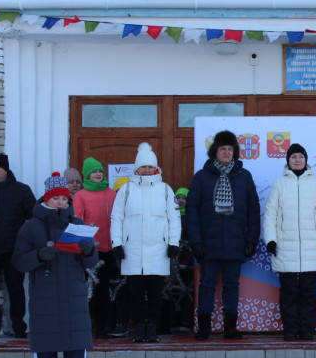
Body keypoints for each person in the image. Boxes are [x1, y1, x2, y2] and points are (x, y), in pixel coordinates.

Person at [12, 172, 98, 358]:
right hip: (45, 302)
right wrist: (39, 256)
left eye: (64, 198)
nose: (61, 202)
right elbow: (18, 261)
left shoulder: (78, 225)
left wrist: (88, 249)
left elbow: (91, 262)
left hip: (74, 300)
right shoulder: (31, 226)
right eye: (56, 198)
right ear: (46, 200)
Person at [186, 130, 260, 340]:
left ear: (234, 152)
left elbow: (253, 210)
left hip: (235, 242)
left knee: (231, 285)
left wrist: (251, 239)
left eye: (230, 149)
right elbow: (191, 211)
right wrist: (196, 241)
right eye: (222, 149)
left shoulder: (244, 176)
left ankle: (230, 328)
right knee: (207, 284)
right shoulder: (201, 177)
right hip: (208, 243)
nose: (226, 152)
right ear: (215, 152)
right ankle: (204, 329)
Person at [110, 143, 181, 343]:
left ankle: (153, 327)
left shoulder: (165, 190)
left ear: (156, 168)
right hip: (132, 251)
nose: (147, 170)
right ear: (137, 169)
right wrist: (117, 244)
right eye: (144, 167)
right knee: (136, 294)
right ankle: (139, 326)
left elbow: (173, 219)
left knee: (156, 293)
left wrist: (173, 242)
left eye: (151, 166)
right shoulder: (126, 190)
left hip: (158, 250)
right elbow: (117, 218)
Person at [263, 144, 316, 341]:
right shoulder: (279, 184)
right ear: (288, 160)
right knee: (289, 293)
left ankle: (307, 329)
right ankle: (291, 329)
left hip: (312, 248)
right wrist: (271, 240)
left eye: (300, 156)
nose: (297, 160)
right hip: (285, 248)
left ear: (306, 159)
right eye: (293, 156)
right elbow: (271, 214)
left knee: (308, 293)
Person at [0, 153, 36, 339]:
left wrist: (27, 243)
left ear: (6, 170)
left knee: (16, 289)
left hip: (14, 251)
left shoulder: (21, 190)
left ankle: (19, 327)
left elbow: (33, 218)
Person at [73, 157, 118, 339]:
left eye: (100, 171)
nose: (98, 174)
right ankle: (83, 326)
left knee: (104, 289)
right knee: (86, 290)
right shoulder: (80, 195)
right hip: (91, 250)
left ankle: (103, 326)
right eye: (94, 171)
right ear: (87, 175)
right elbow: (77, 221)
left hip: (110, 248)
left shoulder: (112, 193)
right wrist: (81, 248)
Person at [159, 188, 195, 334]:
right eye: (177, 198)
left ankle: (186, 321)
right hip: (169, 262)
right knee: (168, 292)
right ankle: (171, 322)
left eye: (183, 198)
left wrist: (186, 261)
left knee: (187, 292)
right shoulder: (167, 218)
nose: (180, 200)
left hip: (186, 264)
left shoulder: (192, 219)